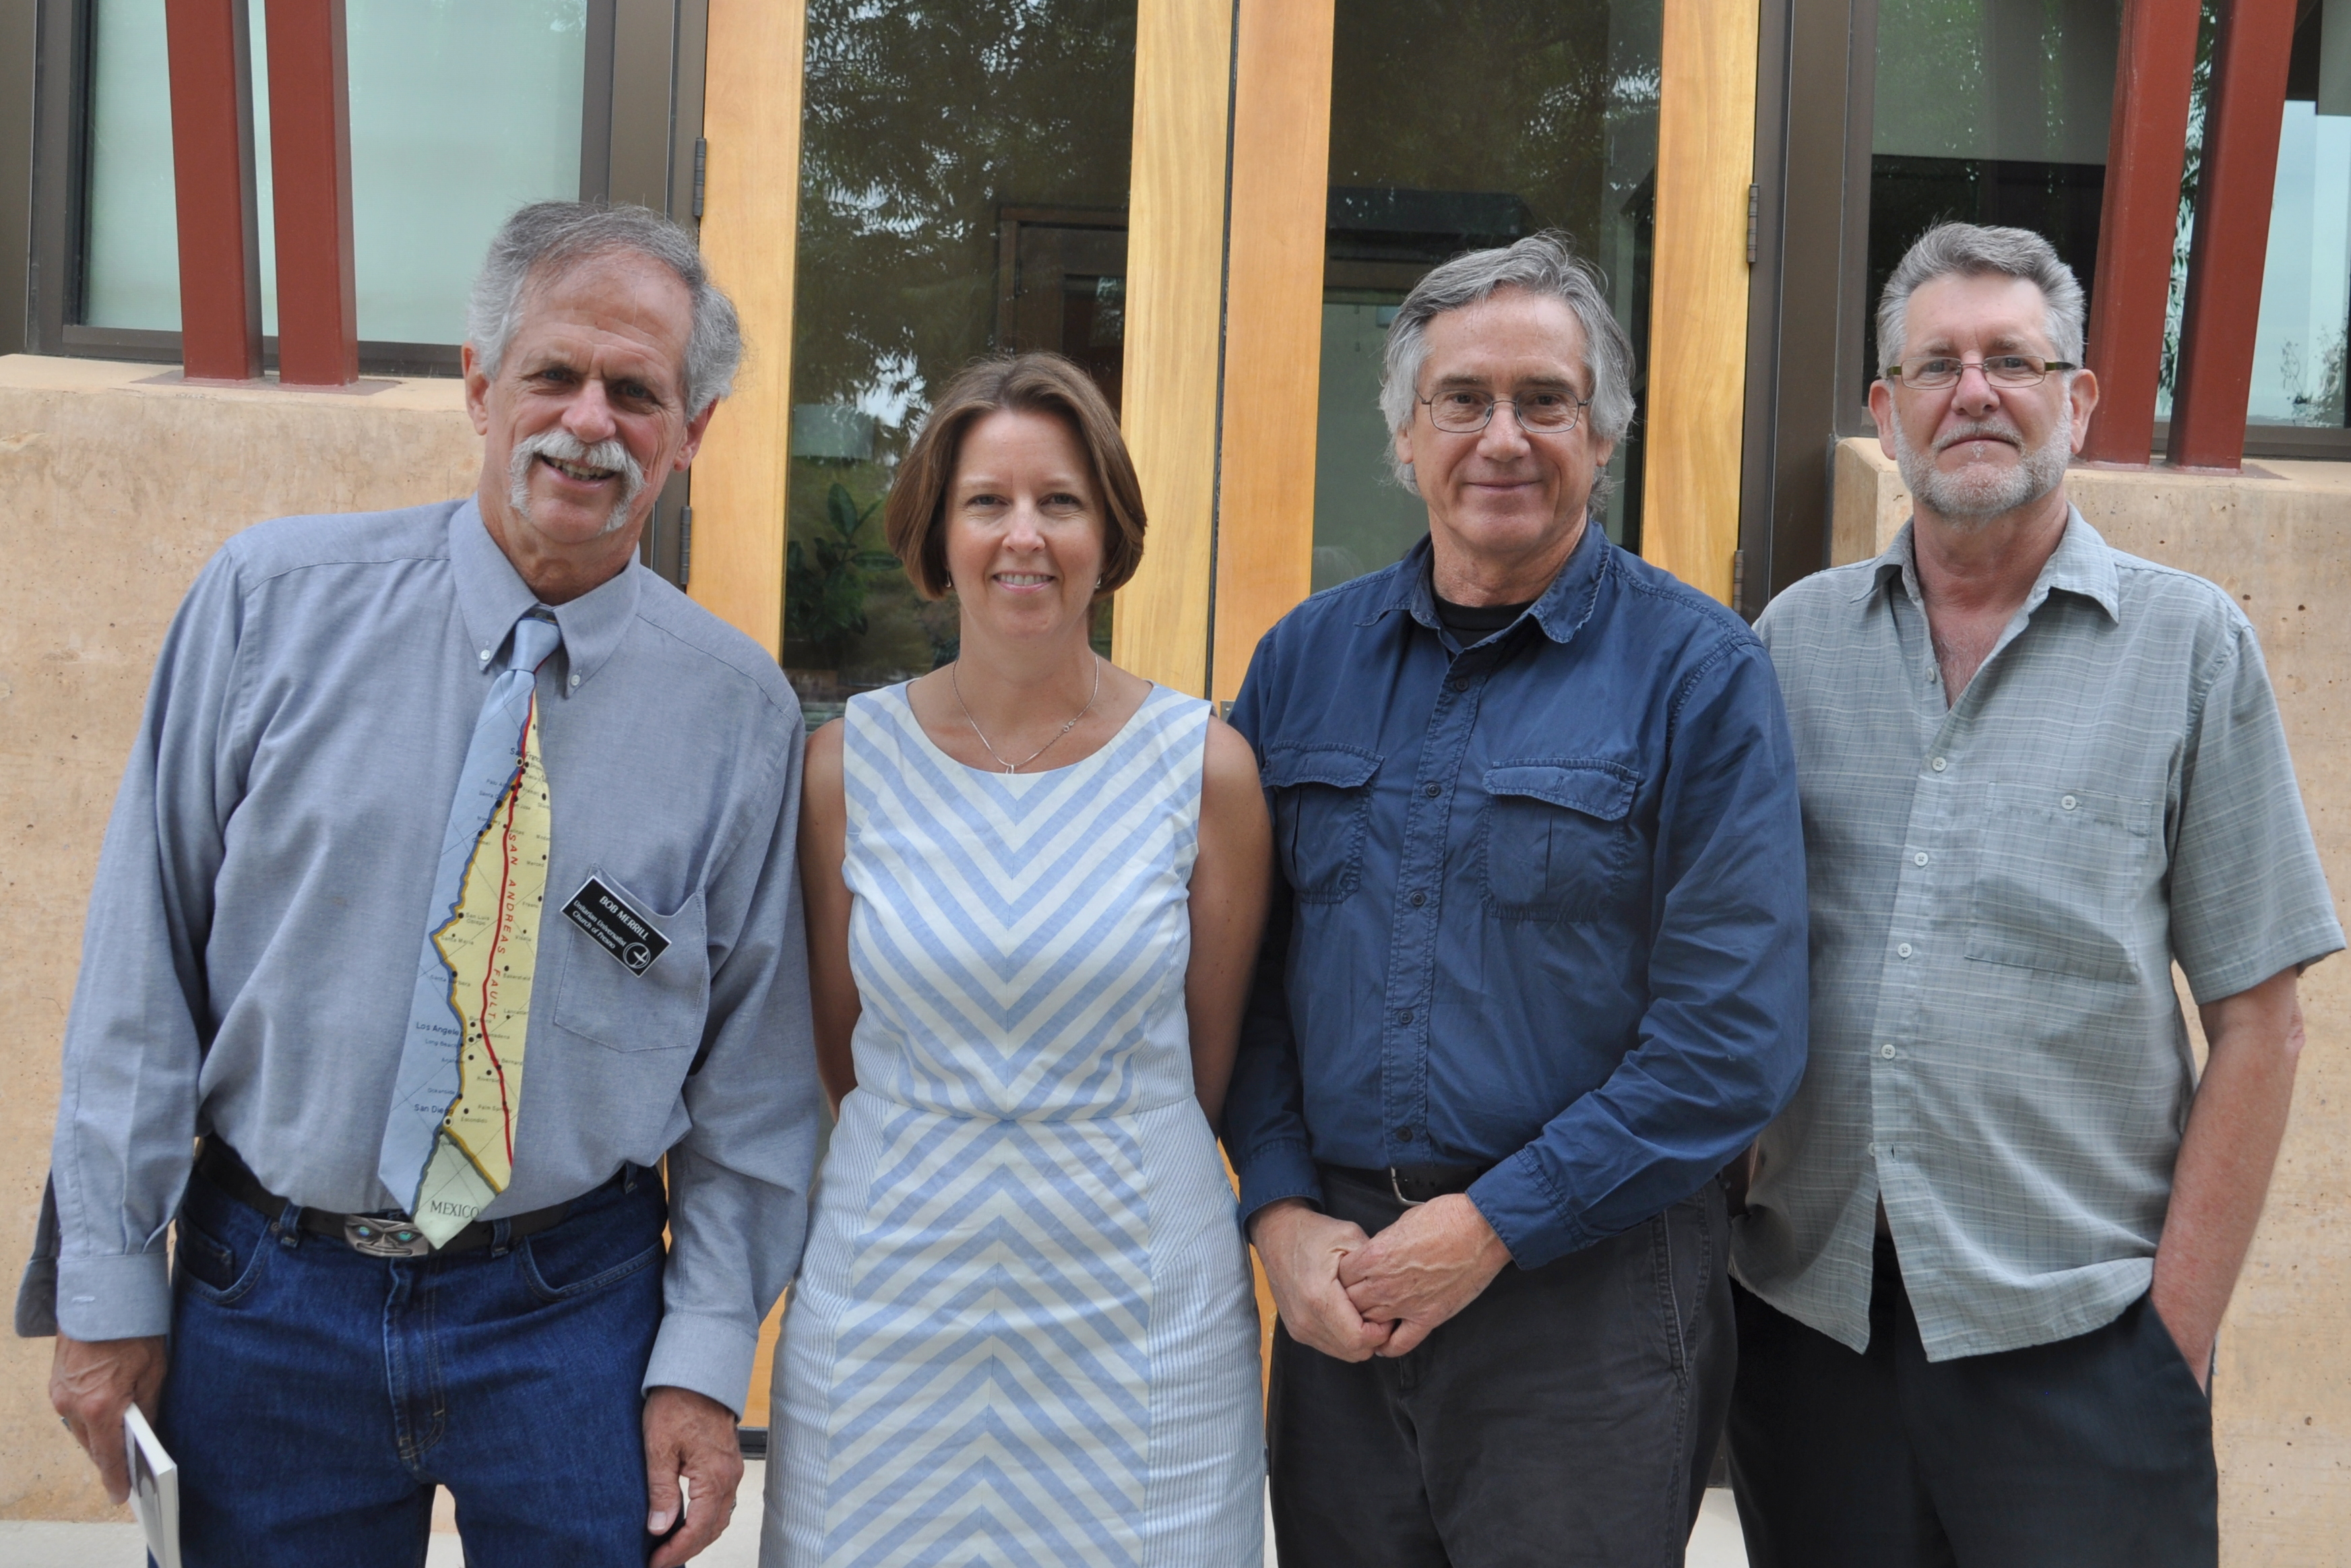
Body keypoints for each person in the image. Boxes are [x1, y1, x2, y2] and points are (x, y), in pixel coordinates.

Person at [20, 201, 824, 1567]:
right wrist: (106, 1284)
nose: (588, 421)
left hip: (573, 1312)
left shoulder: (738, 715)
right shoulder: (268, 606)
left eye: (636, 393)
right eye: (553, 374)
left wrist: (702, 1361)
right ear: (477, 385)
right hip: (266, 1294)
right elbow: (139, 972)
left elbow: (753, 1083)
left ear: (691, 433)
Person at [1728, 222, 2343, 1567]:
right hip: (1812, 1338)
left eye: (2011, 360)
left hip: (2083, 1346)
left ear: (2077, 401)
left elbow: (2260, 1022)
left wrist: (2172, 1336)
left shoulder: (2188, 648)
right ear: (1884, 411)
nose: (1973, 392)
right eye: (1936, 365)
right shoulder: (1787, 648)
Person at [1224, 231, 1810, 1567]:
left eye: (1543, 400)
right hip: (1341, 1289)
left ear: (1601, 436)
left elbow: (1732, 1040)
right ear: (1405, 436)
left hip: (1588, 1304)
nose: (1502, 438)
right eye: (1462, 399)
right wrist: (1277, 1212)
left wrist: (1491, 1226)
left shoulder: (1699, 675)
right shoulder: (1302, 663)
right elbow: (1243, 983)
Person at [766, 353, 1272, 1565]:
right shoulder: (844, 768)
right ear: (937, 536)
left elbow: (1205, 1065)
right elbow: (843, 1052)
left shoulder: (1205, 769)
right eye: (986, 502)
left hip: (1139, 1317)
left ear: (1109, 532)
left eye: (1060, 501)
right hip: (890, 1311)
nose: (1023, 536)